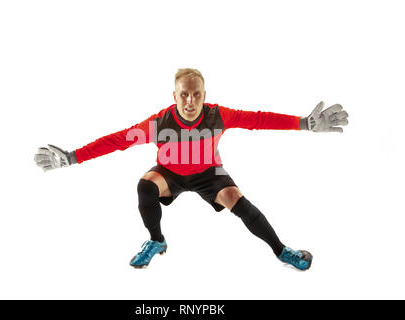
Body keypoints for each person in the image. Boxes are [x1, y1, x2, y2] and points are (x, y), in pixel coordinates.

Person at [34, 68, 349, 271]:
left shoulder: (218, 115)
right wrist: (74, 156)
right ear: (174, 96)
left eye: (196, 94)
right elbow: (118, 140)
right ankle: (156, 241)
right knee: (145, 185)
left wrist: (304, 124)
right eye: (183, 94)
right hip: (170, 174)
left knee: (241, 204)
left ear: (204, 96)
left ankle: (282, 252)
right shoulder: (159, 123)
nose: (190, 100)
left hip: (210, 174)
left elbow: (258, 119)